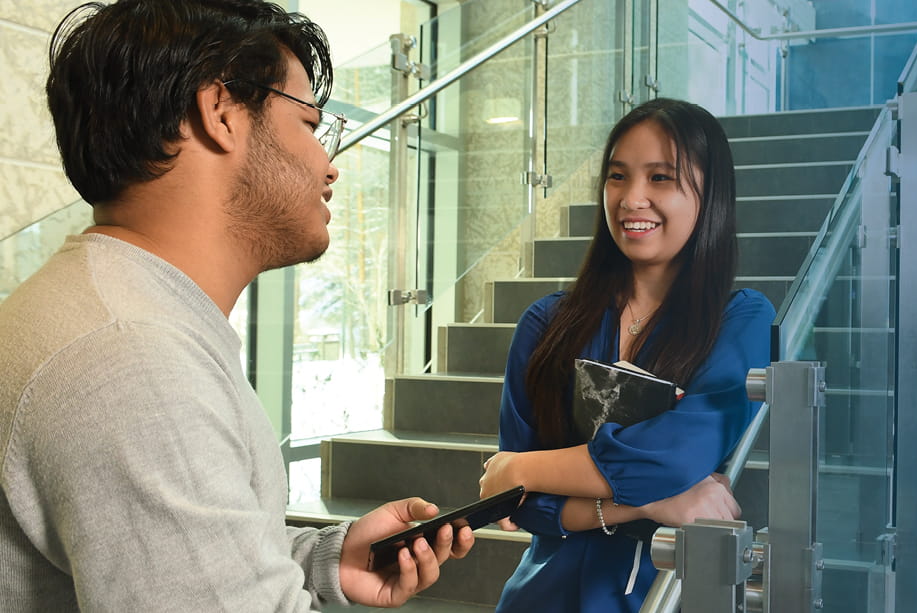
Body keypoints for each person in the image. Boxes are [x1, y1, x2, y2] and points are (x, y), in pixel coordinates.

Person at [0, 2, 473, 609]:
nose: (329, 167)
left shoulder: (122, 317)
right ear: (221, 113)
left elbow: (165, 558)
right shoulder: (131, 362)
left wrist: (327, 560)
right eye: (309, 125)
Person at [477, 98, 773, 612]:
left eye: (660, 178)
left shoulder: (740, 320)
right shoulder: (546, 324)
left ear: (711, 194)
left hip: (661, 598)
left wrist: (522, 468)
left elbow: (676, 455)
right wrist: (656, 502)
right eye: (618, 176)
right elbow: (520, 507)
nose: (632, 198)